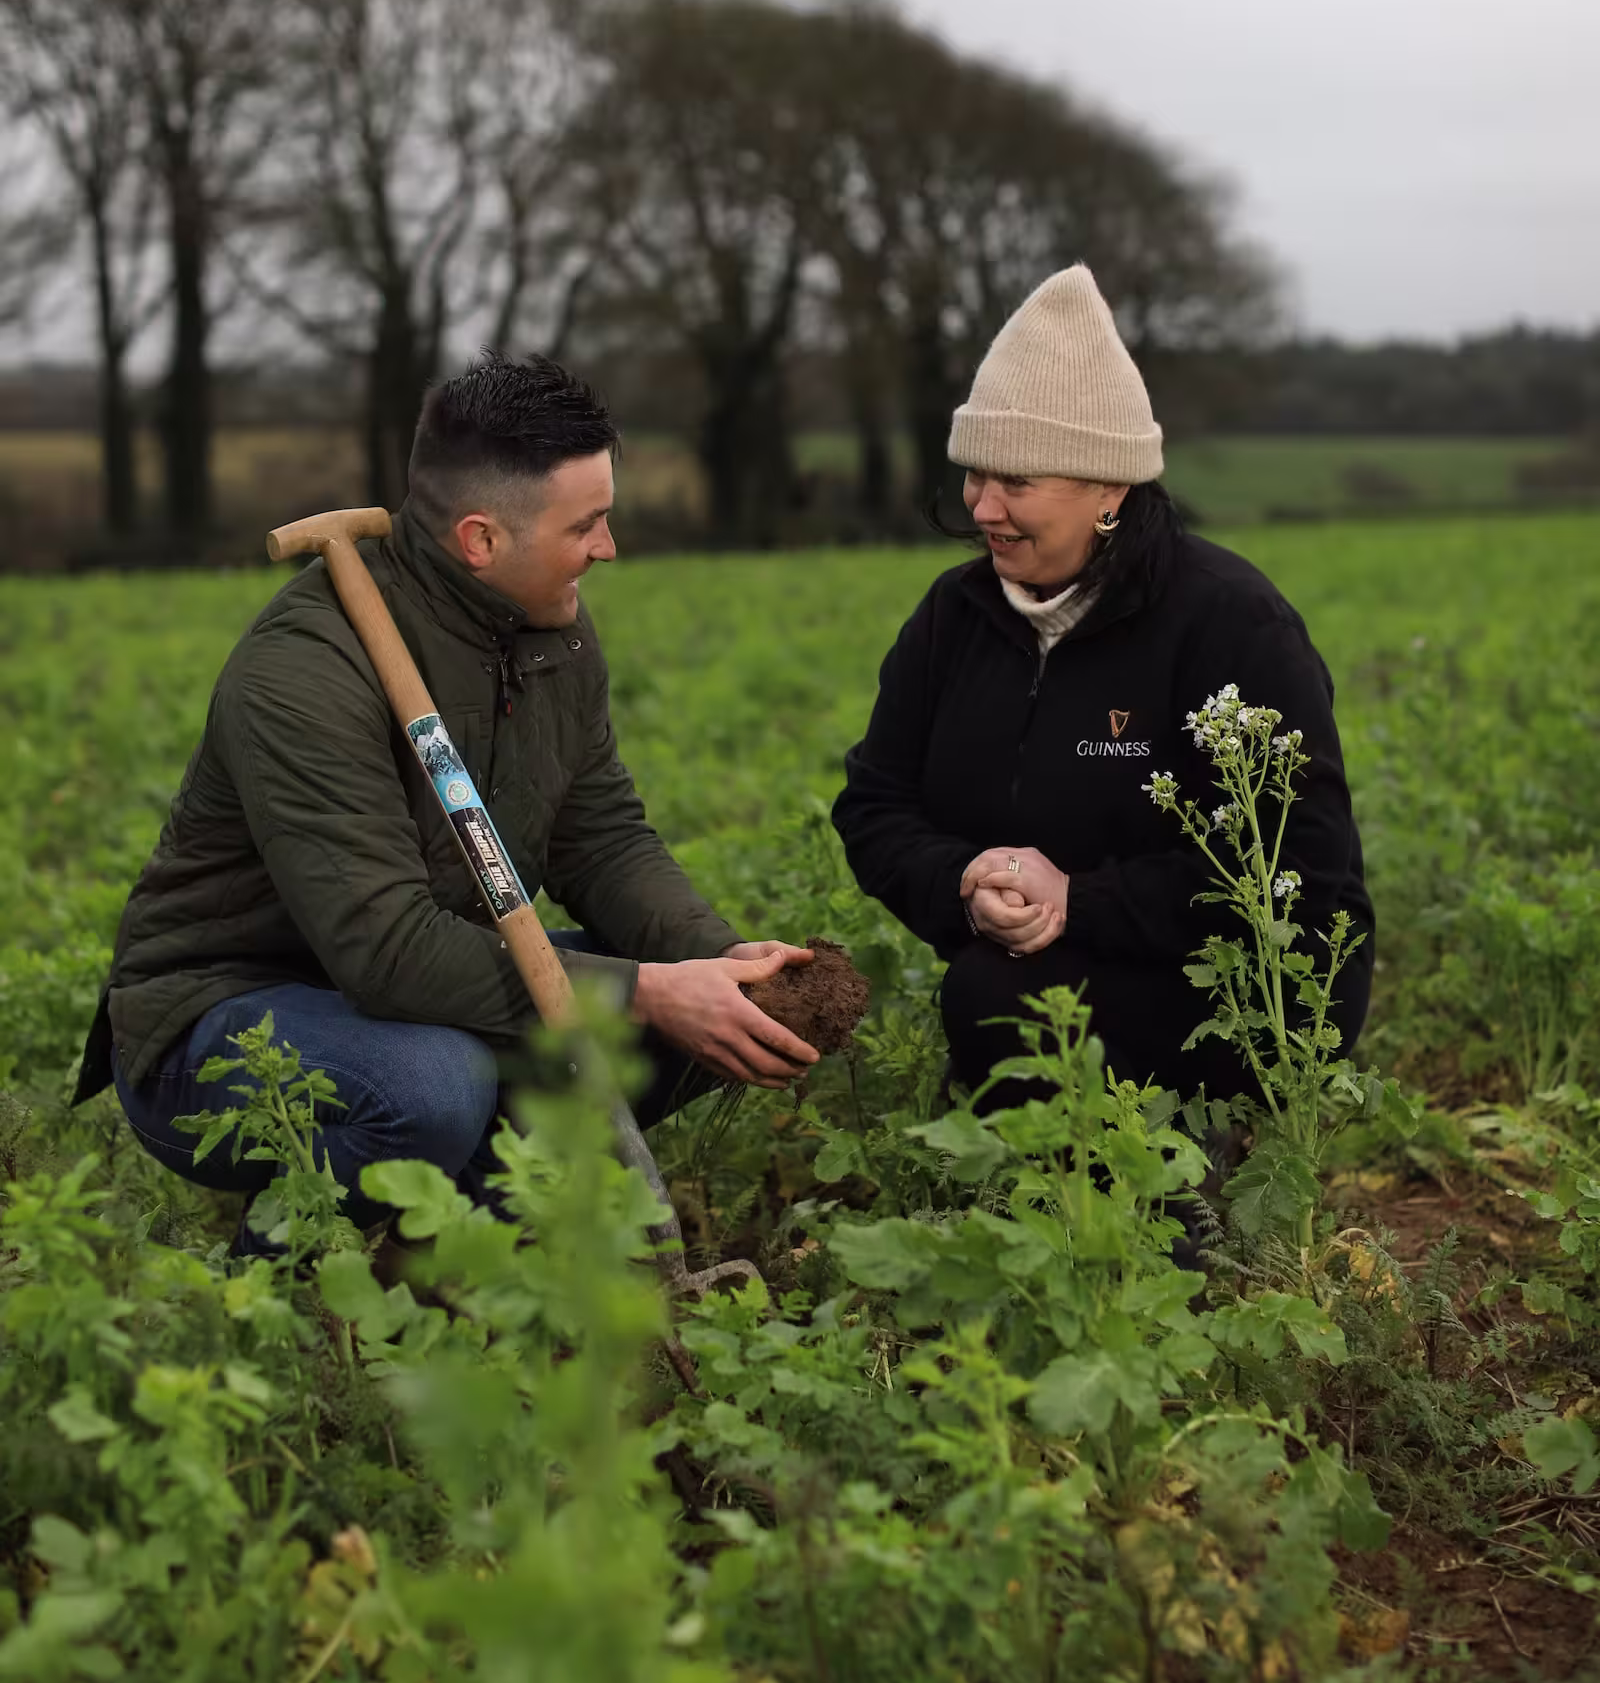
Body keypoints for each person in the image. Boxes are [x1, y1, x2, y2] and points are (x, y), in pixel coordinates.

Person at [75, 353, 817, 1230]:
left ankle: (443, 1247)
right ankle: (277, 1290)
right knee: (434, 1085)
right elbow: (386, 954)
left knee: (698, 1021)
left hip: (422, 989)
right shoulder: (303, 672)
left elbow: (604, 838)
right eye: (588, 525)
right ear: (481, 540)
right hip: (220, 1017)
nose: (609, 549)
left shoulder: (552, 637)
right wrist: (650, 988)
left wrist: (718, 965)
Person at [833, 265, 1373, 1110]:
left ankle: (1192, 1153)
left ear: (1110, 487)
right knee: (991, 990)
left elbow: (1296, 870)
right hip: (1031, 963)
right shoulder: (955, 615)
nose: (982, 507)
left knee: (993, 998)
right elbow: (874, 804)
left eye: (1017, 481)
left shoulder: (1232, 624)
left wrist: (1078, 901)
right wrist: (967, 882)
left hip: (1243, 989)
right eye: (974, 474)